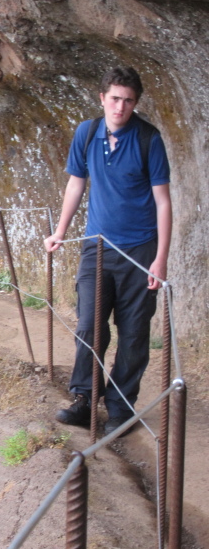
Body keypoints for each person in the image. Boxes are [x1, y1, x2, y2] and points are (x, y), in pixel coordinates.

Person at [44, 66, 172, 436]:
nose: (120, 106)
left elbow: (163, 202)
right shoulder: (86, 133)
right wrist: (59, 232)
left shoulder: (149, 139)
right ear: (102, 98)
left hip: (139, 250)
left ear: (136, 103)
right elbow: (75, 184)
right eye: (115, 98)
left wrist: (160, 259)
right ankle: (85, 398)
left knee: (133, 333)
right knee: (89, 326)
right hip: (96, 247)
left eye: (128, 100)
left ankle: (120, 406)